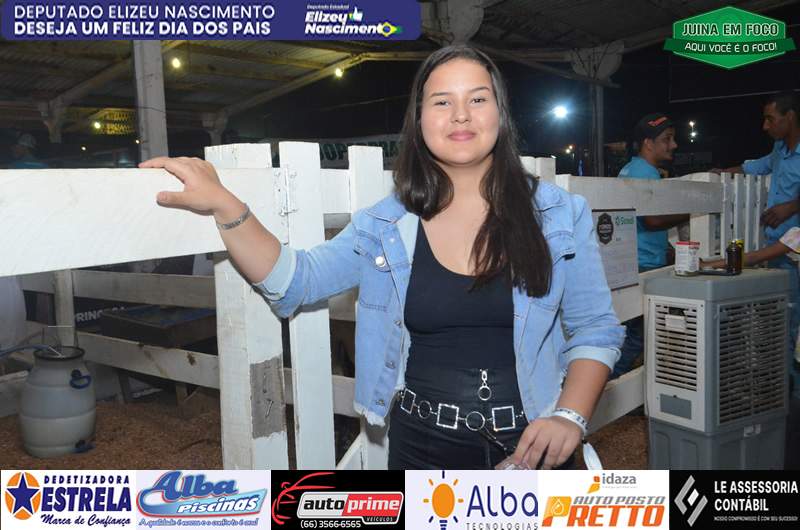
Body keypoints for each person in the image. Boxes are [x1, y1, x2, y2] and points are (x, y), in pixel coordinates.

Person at [141, 45, 624, 470]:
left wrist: (570, 416)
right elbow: (296, 281)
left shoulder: (560, 215)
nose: (461, 115)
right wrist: (226, 205)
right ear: (420, 119)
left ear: (500, 113)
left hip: (535, 447)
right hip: (422, 449)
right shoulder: (384, 225)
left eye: (478, 99)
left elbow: (595, 329)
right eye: (442, 101)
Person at [711, 90, 800, 387]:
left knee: (793, 326)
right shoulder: (779, 151)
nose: (765, 126)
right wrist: (722, 174)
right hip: (777, 251)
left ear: (790, 117)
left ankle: (791, 393)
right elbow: (754, 166)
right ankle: (782, 388)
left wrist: (792, 206)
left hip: (793, 251)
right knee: (780, 323)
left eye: (770, 119)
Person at [612, 113, 688, 380]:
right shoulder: (645, 173)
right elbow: (651, 219)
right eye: (667, 139)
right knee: (641, 335)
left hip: (632, 260)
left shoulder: (631, 169)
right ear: (648, 142)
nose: (673, 145)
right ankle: (606, 384)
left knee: (633, 331)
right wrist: (690, 212)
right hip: (643, 264)